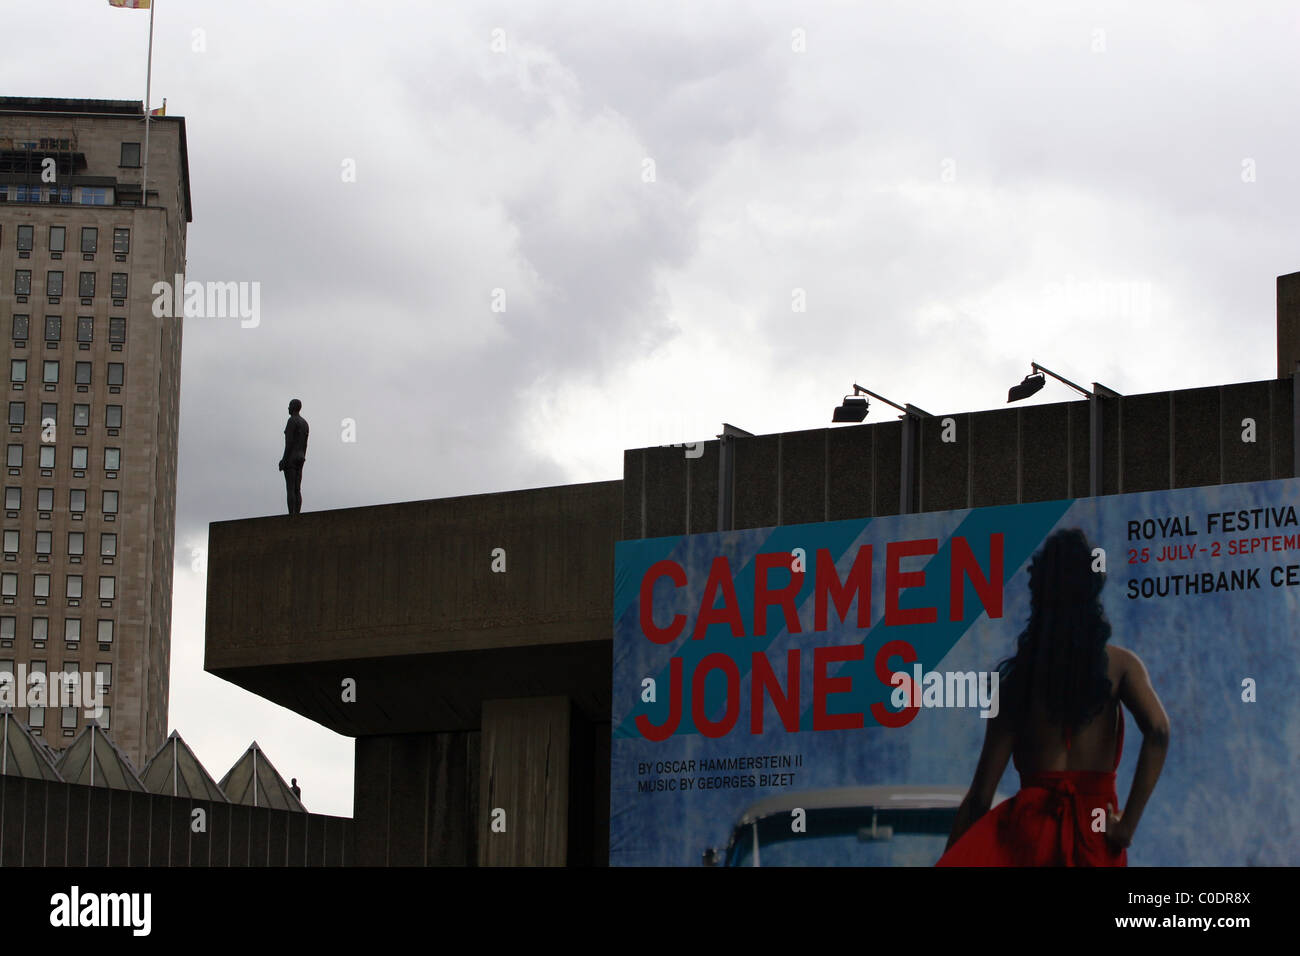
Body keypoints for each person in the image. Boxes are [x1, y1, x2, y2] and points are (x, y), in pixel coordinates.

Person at [936, 528, 1170, 866]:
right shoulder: (1121, 667)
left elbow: (980, 799)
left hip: (1028, 837)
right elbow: (1159, 730)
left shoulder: (1016, 682)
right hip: (1097, 829)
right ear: (1093, 592)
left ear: (1038, 595)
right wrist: (1126, 827)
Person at [278, 399, 309, 515]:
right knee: (297, 488)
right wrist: (303, 457)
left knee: (290, 488)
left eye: (289, 405)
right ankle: (298, 513)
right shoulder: (305, 423)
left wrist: (284, 460)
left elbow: (289, 443)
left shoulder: (292, 421)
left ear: (294, 407)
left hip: (291, 458)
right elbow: (305, 444)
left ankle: (292, 515)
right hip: (301, 457)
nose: (288, 408)